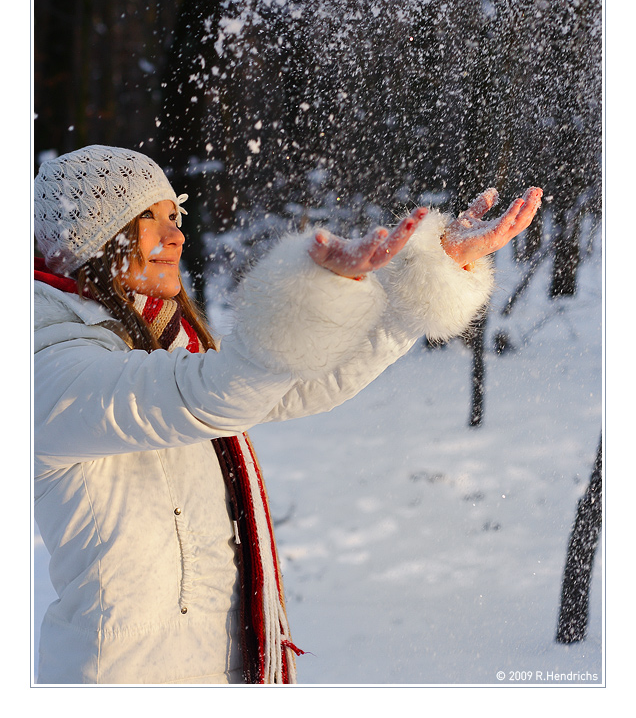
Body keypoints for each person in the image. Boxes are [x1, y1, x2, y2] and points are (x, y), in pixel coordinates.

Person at [33, 144, 542, 685]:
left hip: (222, 669)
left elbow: (296, 384)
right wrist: (309, 300)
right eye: (147, 220)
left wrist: (427, 276)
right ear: (89, 242)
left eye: (173, 215)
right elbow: (206, 395)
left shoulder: (158, 340)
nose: (176, 235)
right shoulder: (46, 368)